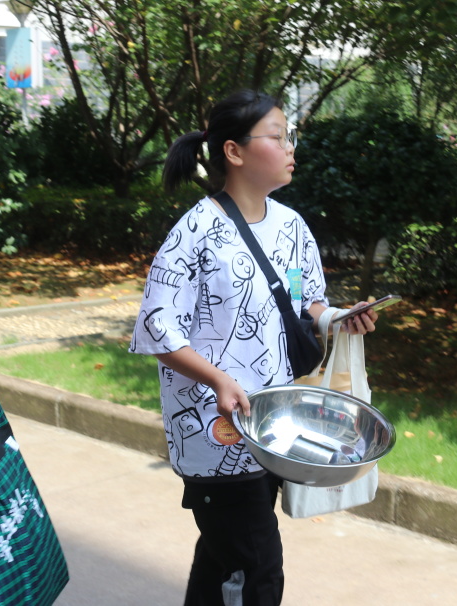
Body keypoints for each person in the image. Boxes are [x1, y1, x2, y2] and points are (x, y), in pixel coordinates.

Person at [129, 89, 379, 606]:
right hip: (215, 435)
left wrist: (340, 318)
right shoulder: (195, 231)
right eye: (279, 136)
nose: (291, 147)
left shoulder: (292, 227)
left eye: (291, 136)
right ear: (234, 151)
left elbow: (307, 303)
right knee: (257, 570)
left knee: (222, 563)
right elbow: (157, 330)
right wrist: (219, 380)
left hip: (273, 429)